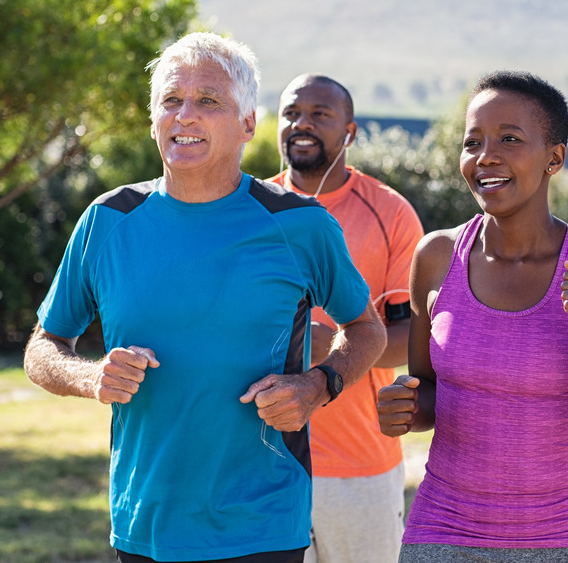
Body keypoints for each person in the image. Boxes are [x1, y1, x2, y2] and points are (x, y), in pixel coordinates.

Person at [23, 32, 387, 563]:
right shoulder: (107, 221)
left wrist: (317, 384)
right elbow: (42, 346)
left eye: (208, 101)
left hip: (264, 522)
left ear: (247, 124)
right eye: (171, 101)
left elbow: (367, 329)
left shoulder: (300, 224)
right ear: (153, 122)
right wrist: (90, 375)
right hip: (144, 521)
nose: (185, 115)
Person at [376, 70, 568, 563]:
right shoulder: (435, 258)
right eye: (473, 142)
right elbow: (428, 388)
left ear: (554, 158)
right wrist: (406, 409)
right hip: (444, 533)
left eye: (509, 139)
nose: (485, 156)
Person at [269, 73, 424, 563]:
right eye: (292, 113)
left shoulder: (391, 212)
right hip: (258, 461)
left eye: (319, 114)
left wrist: (334, 344)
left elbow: (414, 334)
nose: (302, 124)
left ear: (350, 132)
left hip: (359, 465)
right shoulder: (245, 209)